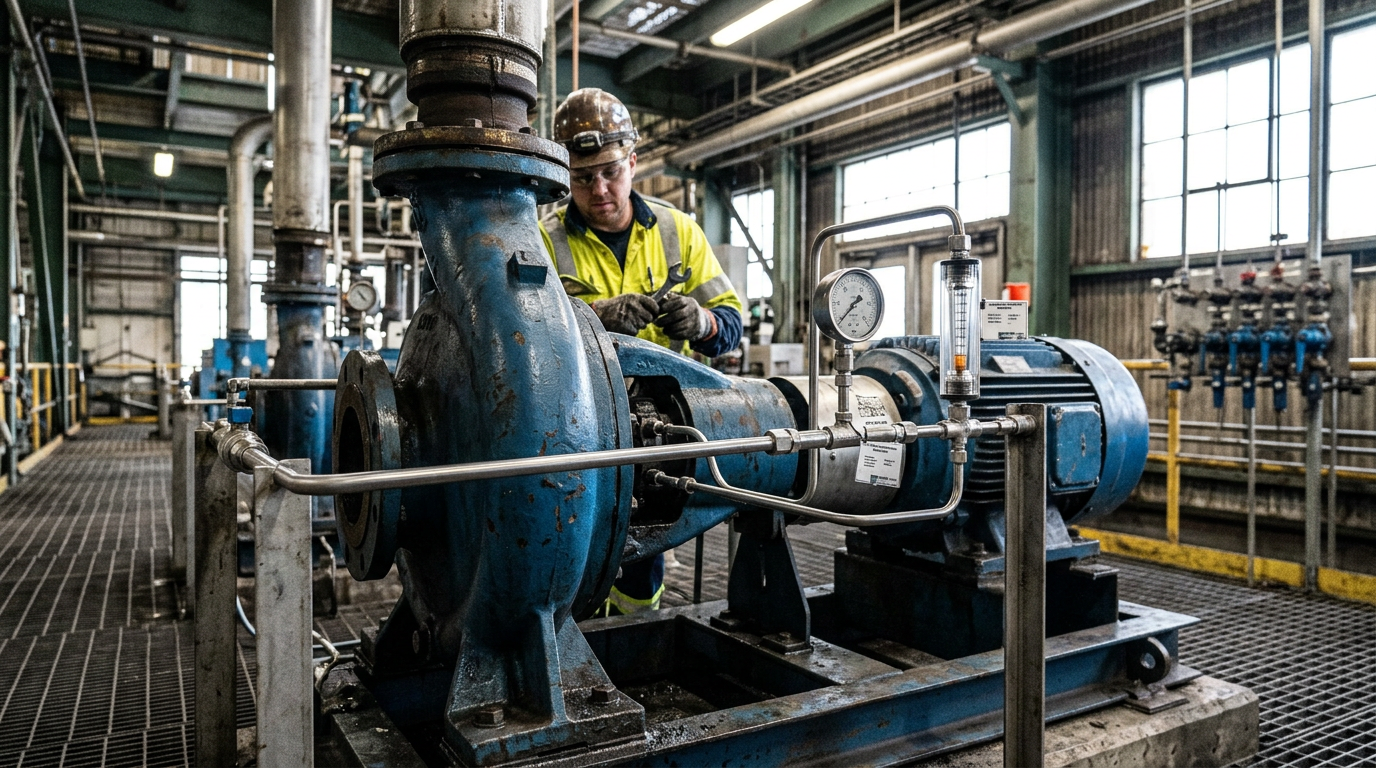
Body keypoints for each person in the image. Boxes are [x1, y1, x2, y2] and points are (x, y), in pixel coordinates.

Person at [539, 88, 744, 615]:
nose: (600, 189)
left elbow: (731, 325)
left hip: (662, 433)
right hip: (575, 433)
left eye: (610, 170)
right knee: (567, 550)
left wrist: (701, 321)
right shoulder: (544, 241)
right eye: (582, 177)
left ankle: (631, 643)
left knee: (641, 558)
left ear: (633, 162)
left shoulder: (680, 234)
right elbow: (525, 344)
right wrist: (593, 318)